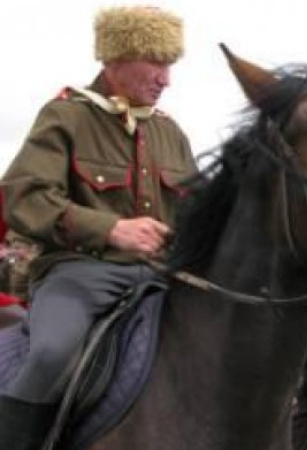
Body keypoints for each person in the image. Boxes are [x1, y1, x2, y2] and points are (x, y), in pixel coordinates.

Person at [0, 6, 195, 449]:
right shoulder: (65, 116)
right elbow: (24, 196)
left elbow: (196, 213)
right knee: (51, 353)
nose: (166, 79)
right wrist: (110, 229)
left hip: (163, 276)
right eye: (157, 63)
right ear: (114, 60)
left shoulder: (171, 132)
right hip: (78, 272)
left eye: (170, 65)